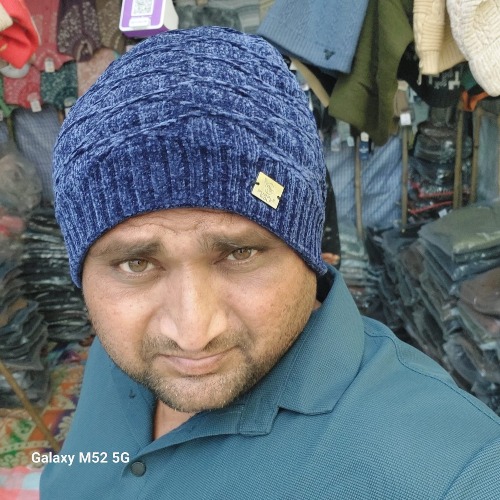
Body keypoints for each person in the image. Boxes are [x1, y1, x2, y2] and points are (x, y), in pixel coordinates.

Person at [40, 26, 500, 499]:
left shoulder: (453, 474)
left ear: (310, 254)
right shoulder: (120, 355)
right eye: (136, 264)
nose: (191, 333)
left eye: (239, 253)